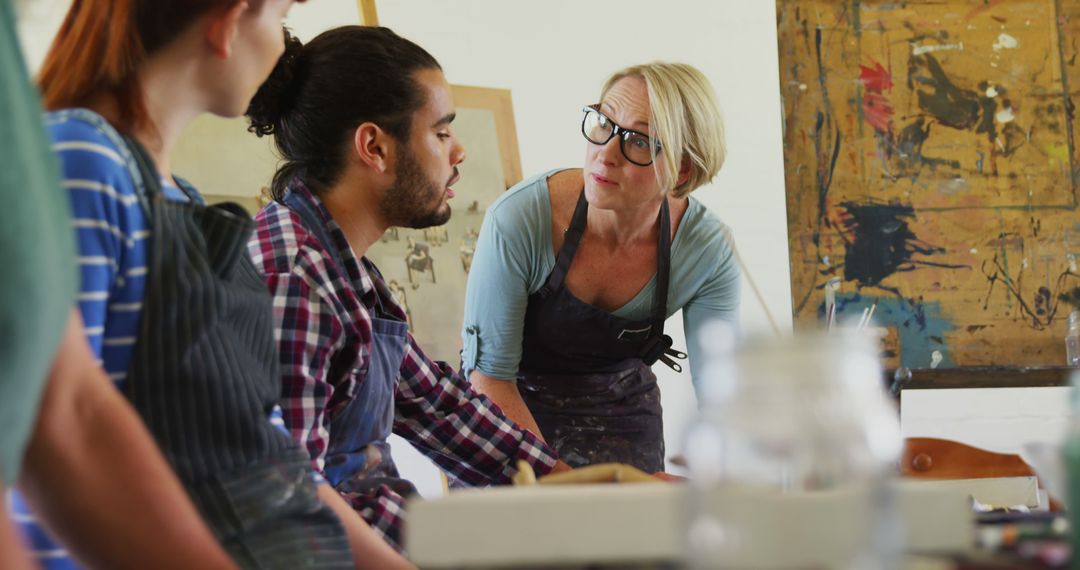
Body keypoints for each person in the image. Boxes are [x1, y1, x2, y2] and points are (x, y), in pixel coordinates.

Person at [28, 0, 410, 568]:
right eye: (278, 16)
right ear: (231, 18)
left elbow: (274, 455)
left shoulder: (181, 198)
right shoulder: (79, 158)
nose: (282, 49)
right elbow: (60, 425)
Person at [245, 26, 566, 551]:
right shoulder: (295, 279)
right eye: (441, 132)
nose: (459, 150)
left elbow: (435, 404)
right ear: (374, 146)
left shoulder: (343, 267)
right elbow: (289, 512)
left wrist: (572, 484)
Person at [461, 62, 741, 473]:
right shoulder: (520, 219)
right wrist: (567, 484)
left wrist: (706, 483)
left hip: (621, 415)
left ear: (682, 168)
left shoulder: (707, 250)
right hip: (513, 411)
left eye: (640, 141)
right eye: (604, 123)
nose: (605, 154)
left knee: (633, 536)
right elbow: (490, 380)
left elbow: (722, 397)